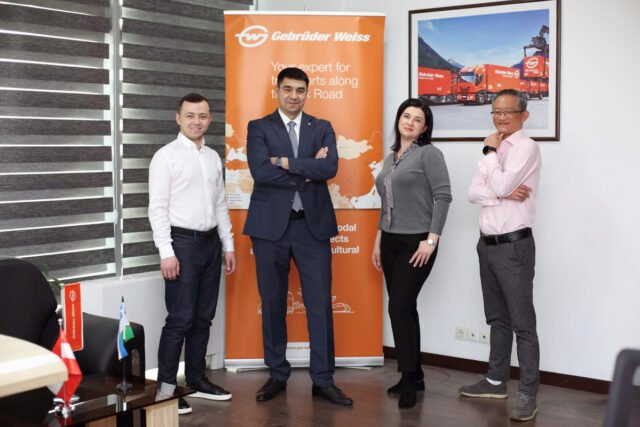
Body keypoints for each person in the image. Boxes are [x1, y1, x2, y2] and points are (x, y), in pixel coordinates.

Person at [243, 67, 353, 406]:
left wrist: (284, 162)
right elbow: (260, 171)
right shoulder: (259, 127)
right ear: (277, 91)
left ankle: (323, 380)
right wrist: (306, 168)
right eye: (288, 89)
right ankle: (277, 374)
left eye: (300, 90)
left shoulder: (321, 127)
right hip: (269, 229)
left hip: (311, 227)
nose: (294, 96)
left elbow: (329, 168)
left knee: (319, 305)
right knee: (273, 303)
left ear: (307, 92)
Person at [148, 93, 237, 415]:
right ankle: (166, 390)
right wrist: (166, 252)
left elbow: (220, 203)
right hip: (181, 245)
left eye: (202, 116)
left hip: (211, 244)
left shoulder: (212, 157)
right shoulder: (165, 157)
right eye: (190, 116)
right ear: (178, 118)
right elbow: (157, 208)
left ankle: (197, 380)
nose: (196, 121)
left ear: (209, 119)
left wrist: (228, 244)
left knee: (203, 318)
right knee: (180, 319)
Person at [459, 89, 542, 422]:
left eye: (507, 111)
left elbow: (503, 184)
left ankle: (528, 394)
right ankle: (495, 381)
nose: (500, 117)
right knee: (497, 318)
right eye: (495, 111)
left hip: (514, 246)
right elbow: (472, 193)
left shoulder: (526, 148)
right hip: (487, 244)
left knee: (523, 324)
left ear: (524, 115)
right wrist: (501, 193)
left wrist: (491, 154)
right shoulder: (494, 149)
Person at [371, 98, 452, 409]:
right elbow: (386, 204)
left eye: (418, 119)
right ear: (398, 119)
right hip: (390, 241)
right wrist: (378, 238)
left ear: (424, 127)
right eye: (406, 116)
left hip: (417, 242)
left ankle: (407, 380)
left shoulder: (429, 154)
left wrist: (431, 240)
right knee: (405, 308)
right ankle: (415, 374)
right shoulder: (391, 157)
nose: (410, 122)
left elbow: (443, 196)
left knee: (399, 307)